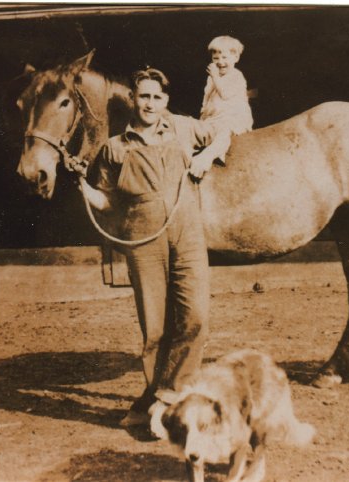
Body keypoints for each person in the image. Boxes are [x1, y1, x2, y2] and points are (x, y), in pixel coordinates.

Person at [79, 68, 229, 427]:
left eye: (157, 97)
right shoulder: (115, 148)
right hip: (143, 242)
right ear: (133, 98)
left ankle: (168, 396)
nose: (150, 103)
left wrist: (206, 158)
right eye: (144, 96)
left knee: (195, 317)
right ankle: (161, 399)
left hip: (188, 237)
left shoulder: (183, 129)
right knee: (156, 328)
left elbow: (223, 131)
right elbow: (107, 202)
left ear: (166, 101)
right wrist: (82, 188)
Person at [200, 35, 254, 145]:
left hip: (233, 118)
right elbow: (206, 96)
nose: (220, 62)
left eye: (224, 57)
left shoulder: (236, 75)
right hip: (214, 117)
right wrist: (203, 113)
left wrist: (215, 77)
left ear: (236, 58)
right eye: (215, 58)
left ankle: (210, 155)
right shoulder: (211, 78)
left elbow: (225, 94)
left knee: (224, 131)